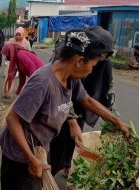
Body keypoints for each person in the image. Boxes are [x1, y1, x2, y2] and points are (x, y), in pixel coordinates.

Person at [0, 28, 129, 190]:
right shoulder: (43, 83)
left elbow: (86, 100)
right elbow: (12, 119)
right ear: (80, 61)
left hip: (40, 148)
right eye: (93, 65)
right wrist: (31, 159)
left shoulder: (70, 78)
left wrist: (116, 121)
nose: (92, 70)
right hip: (20, 158)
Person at [49, 26, 118, 177]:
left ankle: (68, 166)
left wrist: (114, 119)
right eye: (99, 57)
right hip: (60, 108)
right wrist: (71, 120)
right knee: (58, 144)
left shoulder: (103, 64)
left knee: (75, 140)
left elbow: (94, 96)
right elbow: (63, 92)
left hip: (79, 105)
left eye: (105, 56)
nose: (97, 64)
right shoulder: (63, 64)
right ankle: (49, 172)